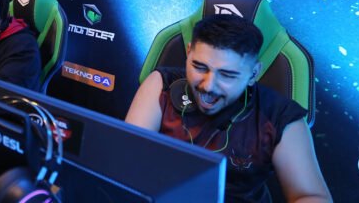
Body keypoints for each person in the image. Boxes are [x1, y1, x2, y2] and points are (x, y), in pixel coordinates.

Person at [125, 14, 331, 203]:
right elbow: (127, 161)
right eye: (199, 67)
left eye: (227, 75)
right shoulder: (162, 85)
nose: (208, 86)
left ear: (253, 74)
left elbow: (312, 196)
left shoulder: (281, 116)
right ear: (188, 53)